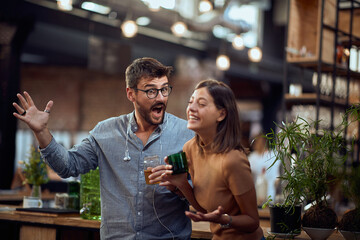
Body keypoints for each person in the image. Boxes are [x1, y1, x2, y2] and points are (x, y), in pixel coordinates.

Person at [13, 57, 194, 239]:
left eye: (164, 89)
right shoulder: (106, 132)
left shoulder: (187, 135)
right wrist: (42, 131)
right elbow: (68, 166)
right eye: (151, 91)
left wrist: (180, 187)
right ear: (130, 94)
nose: (161, 98)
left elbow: (203, 195)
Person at [150, 79, 264, 240]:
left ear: (221, 114)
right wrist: (180, 184)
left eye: (201, 104)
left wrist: (224, 219)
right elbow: (204, 209)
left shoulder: (233, 160)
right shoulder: (190, 149)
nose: (191, 108)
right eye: (191, 102)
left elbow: (252, 222)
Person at [248, 134, 280, 205]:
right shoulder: (252, 157)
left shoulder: (274, 155)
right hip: (257, 192)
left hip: (271, 191)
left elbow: (278, 174)